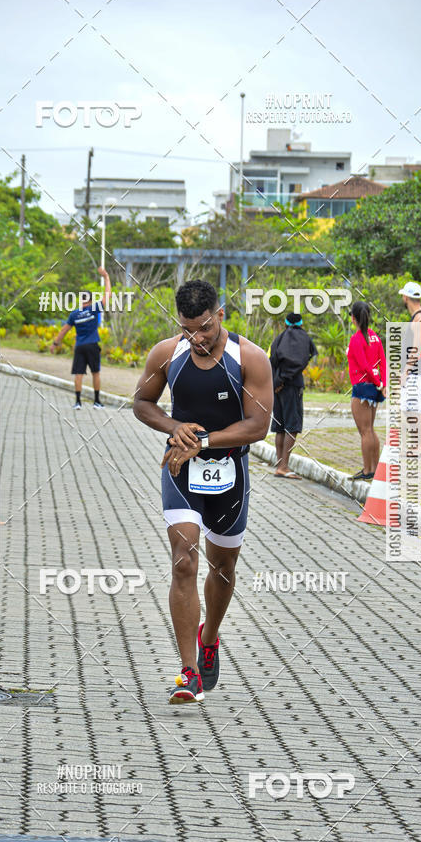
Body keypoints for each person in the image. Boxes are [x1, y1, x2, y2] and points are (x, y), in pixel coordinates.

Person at [133, 280, 273, 705]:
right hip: (179, 469)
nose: (197, 337)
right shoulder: (166, 354)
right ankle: (188, 670)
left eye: (205, 328)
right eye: (189, 328)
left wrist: (203, 441)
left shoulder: (249, 358)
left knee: (223, 568)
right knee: (183, 563)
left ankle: (208, 635)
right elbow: (143, 403)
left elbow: (259, 425)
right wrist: (174, 428)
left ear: (221, 315)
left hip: (230, 470)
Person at [50, 267, 111, 408]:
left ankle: (78, 402)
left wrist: (55, 343)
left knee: (78, 374)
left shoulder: (74, 314)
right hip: (92, 345)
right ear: (90, 300)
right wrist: (106, 277)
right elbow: (107, 295)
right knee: (96, 373)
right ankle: (96, 401)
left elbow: (64, 330)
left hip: (80, 347)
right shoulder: (94, 309)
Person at [269, 312, 317, 479]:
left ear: (285, 323)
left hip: (277, 388)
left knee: (280, 427)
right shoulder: (303, 338)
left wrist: (276, 382)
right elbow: (303, 358)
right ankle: (283, 466)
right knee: (292, 426)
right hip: (292, 386)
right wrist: (285, 379)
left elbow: (272, 359)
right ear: (301, 324)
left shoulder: (280, 337)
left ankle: (279, 465)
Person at [346, 301, 386, 480]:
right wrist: (382, 383)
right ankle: (375, 468)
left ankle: (368, 469)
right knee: (370, 429)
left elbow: (363, 365)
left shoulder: (356, 339)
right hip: (375, 388)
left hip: (362, 387)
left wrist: (376, 381)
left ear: (353, 318)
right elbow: (382, 361)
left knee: (365, 431)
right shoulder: (375, 337)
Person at [399, 281, 421, 455]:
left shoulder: (420, 318)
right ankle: (416, 443)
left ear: (406, 297)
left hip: (417, 371)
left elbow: (417, 349)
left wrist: (406, 371)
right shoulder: (417, 317)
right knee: (408, 407)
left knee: (414, 408)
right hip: (413, 370)